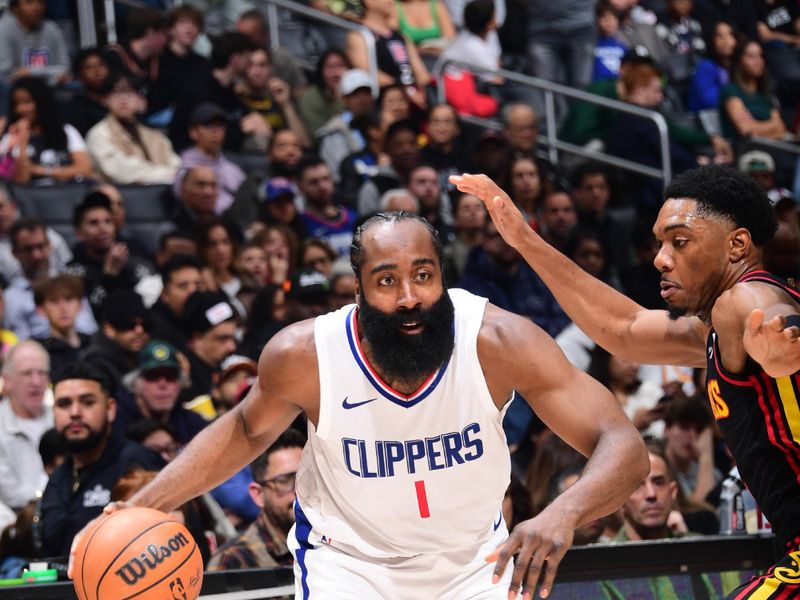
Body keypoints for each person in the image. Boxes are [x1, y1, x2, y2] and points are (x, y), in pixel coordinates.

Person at [76, 211, 648, 600]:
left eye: (424, 275)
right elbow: (244, 433)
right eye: (386, 280)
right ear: (357, 290)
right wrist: (141, 508)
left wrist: (564, 511)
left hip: (476, 561)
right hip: (351, 566)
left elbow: (622, 444)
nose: (408, 298)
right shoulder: (305, 354)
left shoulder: (497, 341)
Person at [453, 165, 800, 597]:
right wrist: (525, 239)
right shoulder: (715, 326)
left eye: (679, 240)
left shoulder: (743, 300)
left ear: (737, 245)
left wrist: (781, 352)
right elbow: (624, 328)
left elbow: (768, 320)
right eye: (659, 243)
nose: (660, 257)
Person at [39, 363, 163, 559]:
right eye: (64, 404)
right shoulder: (58, 477)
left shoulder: (138, 463)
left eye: (87, 402)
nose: (75, 412)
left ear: (111, 408)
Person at [208, 428, 303, 570]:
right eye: (284, 480)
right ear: (258, 494)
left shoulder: (335, 542)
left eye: (308, 477)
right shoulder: (234, 561)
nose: (301, 491)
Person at [86, 72, 181, 185]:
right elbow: (120, 172)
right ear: (106, 100)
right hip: (121, 197)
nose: (123, 99)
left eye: (129, 93)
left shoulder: (155, 135)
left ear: (141, 100)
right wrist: (167, 174)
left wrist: (173, 174)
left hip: (161, 196)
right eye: (116, 93)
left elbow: (177, 166)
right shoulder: (98, 134)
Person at [0, 76, 93, 185]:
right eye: (16, 104)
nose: (21, 109)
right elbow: (21, 181)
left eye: (27, 102)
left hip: (66, 194)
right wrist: (22, 143)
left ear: (42, 102)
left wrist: (39, 170)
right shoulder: (11, 136)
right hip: (28, 198)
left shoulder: (66, 131)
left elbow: (84, 169)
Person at [115, 340, 208, 445]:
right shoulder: (116, 421)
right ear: (135, 384)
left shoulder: (192, 423)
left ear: (180, 383)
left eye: (170, 377)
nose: (162, 385)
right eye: (153, 377)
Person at [0, 340, 51, 509]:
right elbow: (9, 494)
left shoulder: (60, 420)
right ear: (7, 381)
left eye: (42, 373)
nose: (36, 382)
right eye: (27, 373)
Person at [0, 0, 69, 83]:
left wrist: (29, 72)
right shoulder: (3, 30)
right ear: (15, 8)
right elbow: (5, 73)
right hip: (15, 90)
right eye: (29, 2)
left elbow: (65, 69)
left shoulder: (51, 28)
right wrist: (52, 75)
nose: (36, 7)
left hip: (50, 88)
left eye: (40, 2)